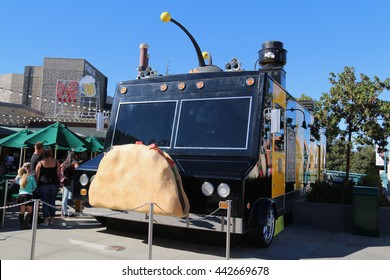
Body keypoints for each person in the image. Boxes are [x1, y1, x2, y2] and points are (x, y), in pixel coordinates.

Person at [35, 147, 61, 226]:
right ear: (51, 153)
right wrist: (59, 183)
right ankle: (52, 219)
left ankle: (46, 220)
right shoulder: (56, 162)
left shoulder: (40, 163)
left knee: (45, 202)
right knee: (52, 202)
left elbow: (37, 175)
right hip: (54, 184)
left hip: (43, 184)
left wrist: (36, 184)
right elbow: (59, 174)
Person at [17, 163, 36, 229]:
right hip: (28, 195)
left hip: (20, 195)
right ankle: (25, 224)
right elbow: (35, 186)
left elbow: (16, 183)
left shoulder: (20, 178)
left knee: (22, 210)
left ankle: (21, 224)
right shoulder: (31, 177)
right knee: (29, 210)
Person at [60, 152, 75, 217]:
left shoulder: (64, 163)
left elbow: (60, 168)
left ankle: (64, 210)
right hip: (71, 180)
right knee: (71, 196)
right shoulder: (73, 163)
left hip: (65, 181)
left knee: (65, 196)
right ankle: (69, 209)